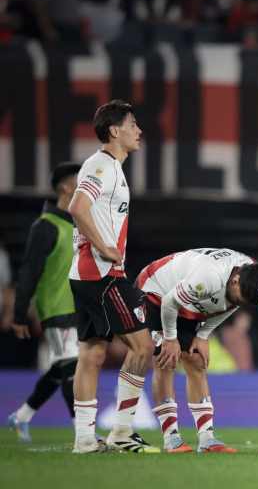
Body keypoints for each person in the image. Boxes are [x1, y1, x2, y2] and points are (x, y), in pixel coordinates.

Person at [68, 100, 157, 454]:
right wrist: (103, 245)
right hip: (102, 275)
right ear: (114, 130)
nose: (138, 130)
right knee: (142, 346)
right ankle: (121, 432)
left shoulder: (112, 168)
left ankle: (85, 440)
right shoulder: (101, 165)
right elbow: (77, 207)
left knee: (92, 354)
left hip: (86, 274)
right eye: (132, 124)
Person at [137, 248, 258, 453]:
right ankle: (171, 438)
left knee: (196, 361)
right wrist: (170, 339)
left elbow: (230, 305)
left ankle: (207, 439)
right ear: (235, 280)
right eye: (239, 298)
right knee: (166, 359)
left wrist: (203, 335)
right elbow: (170, 302)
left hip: (189, 301)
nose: (238, 303)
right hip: (157, 291)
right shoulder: (209, 277)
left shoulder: (252, 275)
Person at [8, 163, 81, 443]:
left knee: (63, 367)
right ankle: (82, 433)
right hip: (55, 308)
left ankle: (22, 416)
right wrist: (18, 314)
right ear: (64, 187)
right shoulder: (45, 226)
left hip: (76, 308)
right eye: (78, 179)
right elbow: (28, 271)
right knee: (71, 367)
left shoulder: (74, 224)